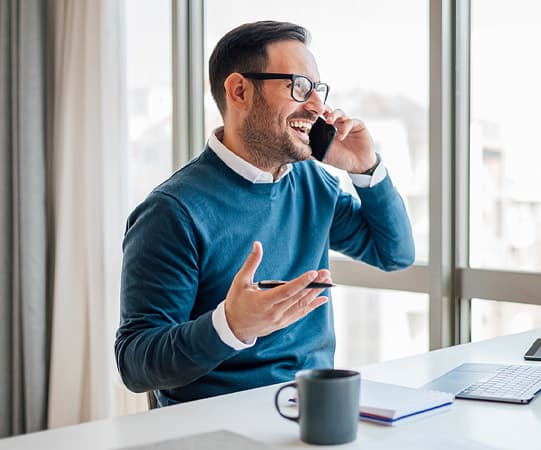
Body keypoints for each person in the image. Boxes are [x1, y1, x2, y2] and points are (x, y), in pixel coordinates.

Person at [114, 21, 414, 407]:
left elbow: (394, 254)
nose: (318, 107)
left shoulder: (312, 184)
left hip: (313, 411)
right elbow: (135, 363)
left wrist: (367, 169)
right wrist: (230, 326)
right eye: (299, 87)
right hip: (218, 425)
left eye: (318, 90)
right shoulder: (172, 212)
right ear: (239, 91)